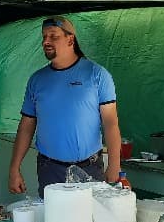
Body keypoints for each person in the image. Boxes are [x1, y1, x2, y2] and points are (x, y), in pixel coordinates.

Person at [8, 16, 122, 196]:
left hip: (90, 168)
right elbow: (26, 127)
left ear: (70, 39)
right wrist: (14, 168)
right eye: (44, 36)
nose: (46, 41)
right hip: (50, 170)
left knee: (89, 214)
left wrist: (114, 165)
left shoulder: (97, 75)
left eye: (53, 36)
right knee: (52, 214)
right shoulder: (37, 80)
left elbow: (110, 123)